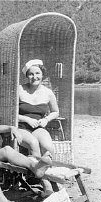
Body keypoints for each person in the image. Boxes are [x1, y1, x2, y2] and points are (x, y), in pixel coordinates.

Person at [18, 59, 59, 194]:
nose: (34, 77)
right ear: (27, 75)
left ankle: (43, 174)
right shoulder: (20, 89)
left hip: (38, 126)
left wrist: (46, 119)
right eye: (31, 74)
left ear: (43, 75)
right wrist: (26, 119)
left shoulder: (48, 92)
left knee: (48, 148)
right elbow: (9, 112)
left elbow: (55, 112)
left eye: (37, 73)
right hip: (20, 126)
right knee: (34, 143)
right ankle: (45, 183)